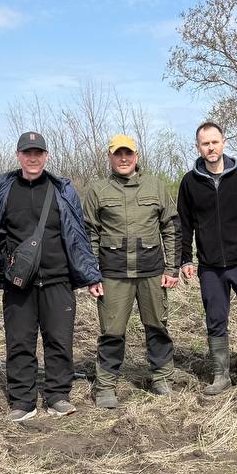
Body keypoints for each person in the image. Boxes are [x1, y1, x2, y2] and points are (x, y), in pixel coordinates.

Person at [0, 131, 103, 421]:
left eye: (38, 153)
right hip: (19, 283)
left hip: (58, 279)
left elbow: (78, 236)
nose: (33, 158)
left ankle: (58, 396)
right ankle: (22, 401)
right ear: (18, 156)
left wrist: (91, 274)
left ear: (46, 156)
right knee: (19, 342)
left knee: (59, 339)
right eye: (27, 153)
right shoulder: (5, 191)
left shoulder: (63, 191)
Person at [82, 134, 179, 408]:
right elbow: (89, 234)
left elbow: (170, 228)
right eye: (117, 154)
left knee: (157, 326)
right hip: (113, 274)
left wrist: (171, 268)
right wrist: (91, 275)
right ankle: (105, 387)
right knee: (111, 332)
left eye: (128, 153)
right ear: (110, 157)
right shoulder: (98, 190)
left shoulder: (156, 186)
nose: (123, 158)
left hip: (151, 272)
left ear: (136, 156)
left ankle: (161, 378)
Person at [177, 121, 237, 397]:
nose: (211, 148)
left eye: (214, 142)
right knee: (215, 319)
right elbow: (184, 224)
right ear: (198, 147)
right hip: (210, 266)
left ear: (223, 143)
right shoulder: (190, 181)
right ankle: (221, 375)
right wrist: (185, 259)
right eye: (205, 144)